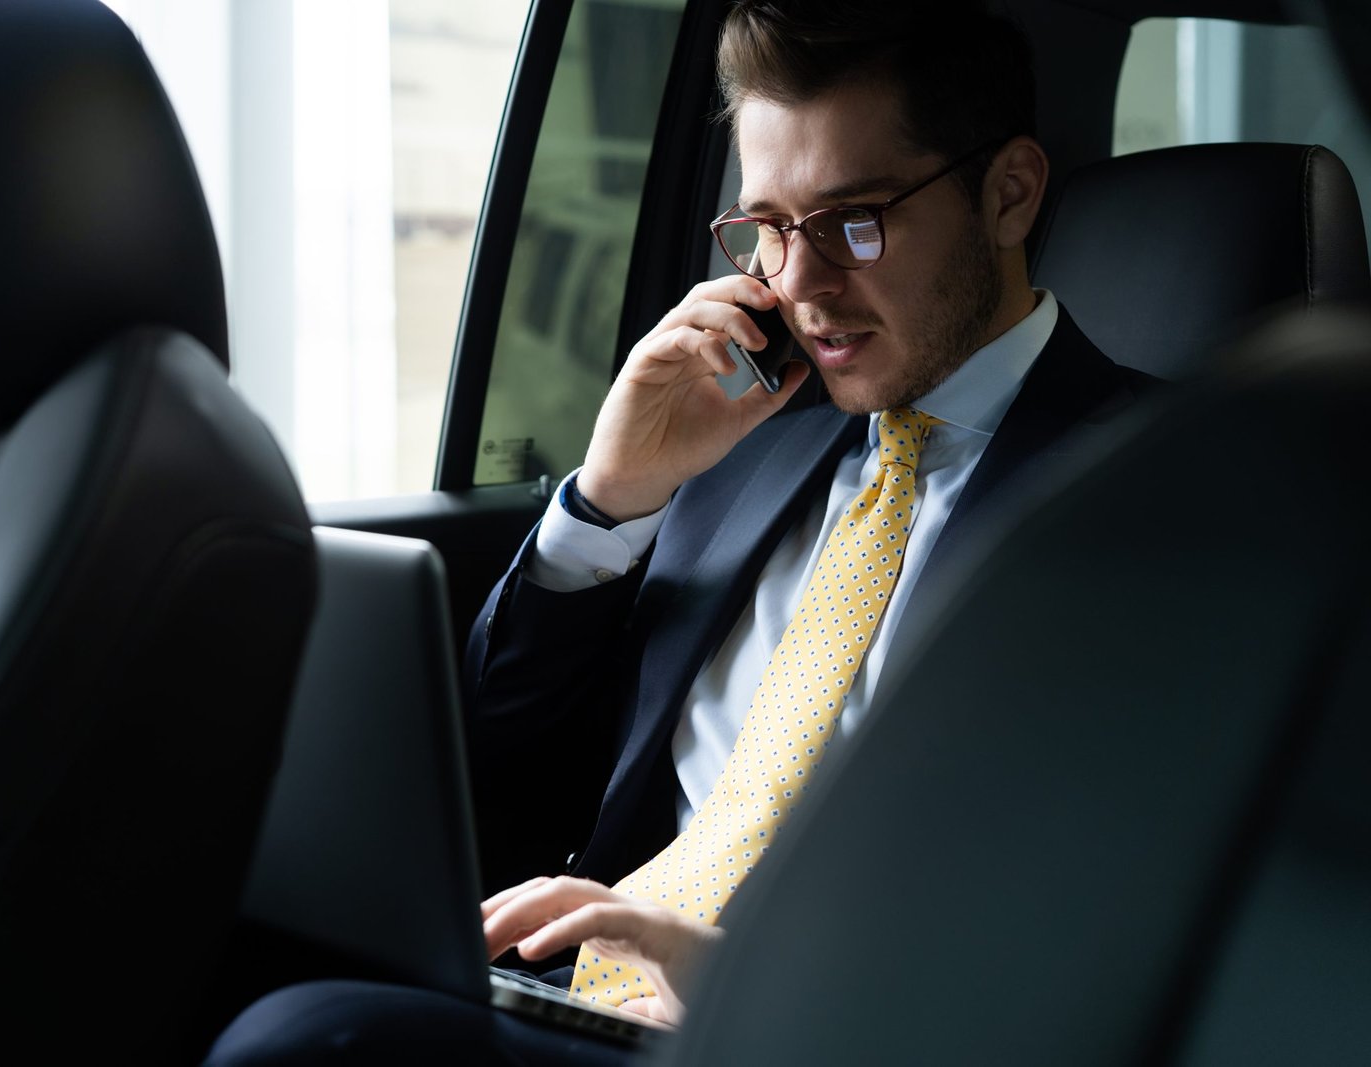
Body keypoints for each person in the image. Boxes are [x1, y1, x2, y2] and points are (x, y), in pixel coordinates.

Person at [206, 1, 1156, 1061]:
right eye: (767, 227)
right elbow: (493, 790)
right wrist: (609, 501)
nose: (797, 285)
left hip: (843, 1031)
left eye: (853, 221)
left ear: (1008, 193)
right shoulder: (740, 439)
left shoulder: (1178, 494)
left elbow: (1131, 915)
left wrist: (752, 972)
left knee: (311, 1038)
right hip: (581, 993)